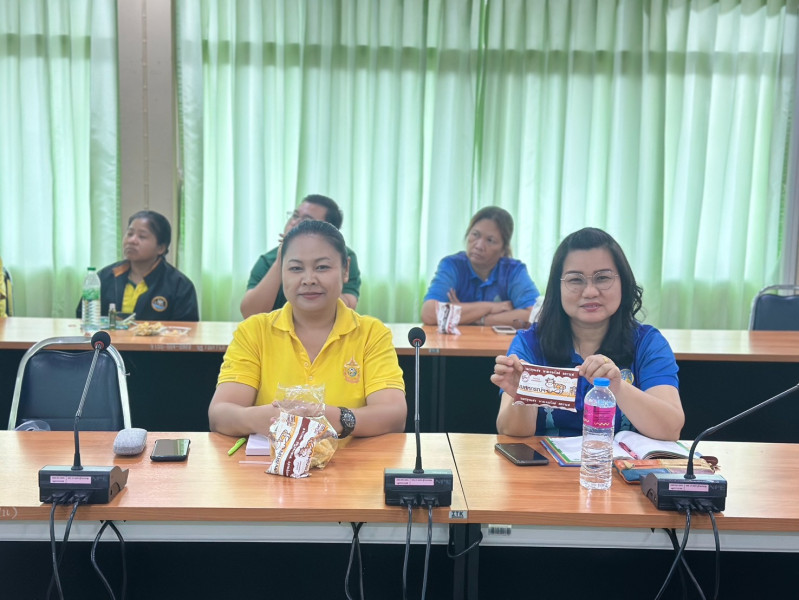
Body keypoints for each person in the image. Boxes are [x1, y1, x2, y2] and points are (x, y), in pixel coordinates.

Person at [210, 219, 406, 439]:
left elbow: (394, 415)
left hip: (349, 459)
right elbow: (220, 413)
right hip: (271, 459)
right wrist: (260, 418)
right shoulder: (254, 331)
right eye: (295, 268)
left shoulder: (371, 333)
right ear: (281, 272)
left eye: (322, 267)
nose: (309, 279)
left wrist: (330, 417)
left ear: (345, 270)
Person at [491, 227, 684, 440]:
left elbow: (670, 429)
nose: (590, 292)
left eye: (603, 278)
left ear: (623, 282)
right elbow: (511, 432)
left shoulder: (648, 343)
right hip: (544, 461)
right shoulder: (529, 342)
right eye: (576, 280)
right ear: (557, 288)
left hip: (620, 462)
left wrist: (618, 387)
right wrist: (523, 396)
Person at [240, 194, 362, 318]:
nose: (294, 223)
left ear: (329, 229)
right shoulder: (268, 260)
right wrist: (281, 260)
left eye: (306, 220)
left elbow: (348, 309)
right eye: (295, 216)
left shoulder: (342, 256)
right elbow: (250, 314)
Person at [422, 206, 540, 327]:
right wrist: (491, 307)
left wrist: (478, 318)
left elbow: (536, 316)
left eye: (490, 240)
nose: (479, 246)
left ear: (503, 250)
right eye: (475, 235)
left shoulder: (513, 270)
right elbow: (429, 313)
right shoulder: (452, 265)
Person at [75, 210, 199, 321]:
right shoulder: (106, 276)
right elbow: (83, 317)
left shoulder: (179, 285)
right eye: (130, 234)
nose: (132, 241)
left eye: (142, 236)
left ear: (161, 248)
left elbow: (187, 330)